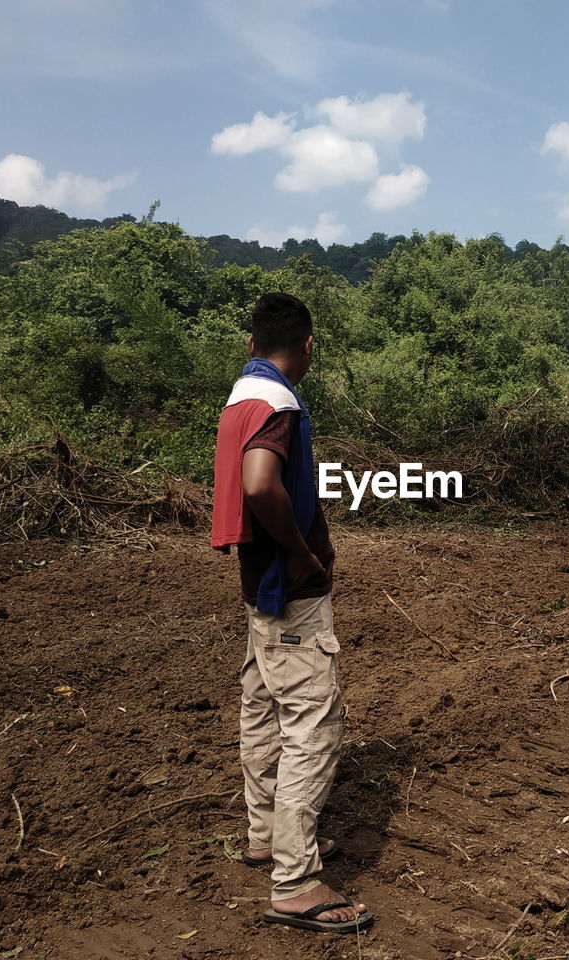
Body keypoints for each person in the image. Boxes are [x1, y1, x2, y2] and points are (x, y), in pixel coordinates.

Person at [210, 292, 372, 934]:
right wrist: (304, 555)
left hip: (260, 589)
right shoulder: (278, 403)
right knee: (312, 723)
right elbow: (259, 484)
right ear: (308, 347)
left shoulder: (242, 393)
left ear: (252, 345)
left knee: (260, 702)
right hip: (290, 588)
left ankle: (263, 834)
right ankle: (296, 881)